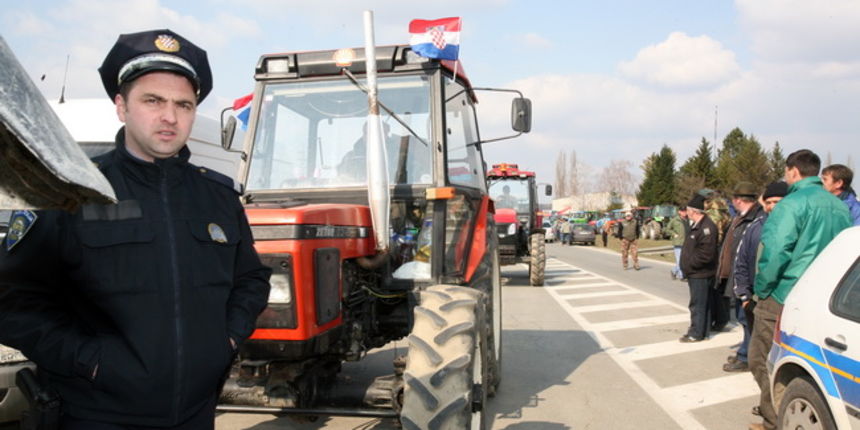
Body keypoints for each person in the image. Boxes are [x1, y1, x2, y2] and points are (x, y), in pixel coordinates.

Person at [0, 29, 272, 429]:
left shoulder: (217, 197)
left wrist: (225, 341)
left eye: (184, 104)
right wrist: (89, 363)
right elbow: (13, 301)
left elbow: (251, 280)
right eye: (152, 101)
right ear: (121, 106)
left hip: (196, 414)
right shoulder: (69, 191)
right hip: (96, 414)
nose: (170, 116)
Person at [748, 150, 851, 430]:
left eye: (785, 171)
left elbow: (776, 253)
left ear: (793, 171)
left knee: (762, 359)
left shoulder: (791, 204)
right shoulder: (839, 207)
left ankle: (773, 419)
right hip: (824, 296)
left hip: (784, 294)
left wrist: (762, 290)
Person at [730, 182, 786, 391]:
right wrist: (744, 294)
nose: (772, 206)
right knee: (758, 358)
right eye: (769, 202)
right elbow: (741, 261)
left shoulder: (791, 227)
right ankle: (767, 401)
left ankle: (771, 404)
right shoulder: (756, 226)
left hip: (776, 299)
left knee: (772, 357)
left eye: (777, 202)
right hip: (755, 297)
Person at [716, 182, 764, 372]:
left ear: (738, 200)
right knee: (742, 317)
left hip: (746, 279)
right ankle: (744, 352)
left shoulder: (755, 220)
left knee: (747, 319)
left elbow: (749, 254)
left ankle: (747, 357)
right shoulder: (741, 217)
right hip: (737, 277)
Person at [679, 194, 718, 342]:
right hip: (696, 272)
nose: (686, 212)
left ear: (693, 211)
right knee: (702, 303)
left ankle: (696, 333)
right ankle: (703, 331)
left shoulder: (707, 228)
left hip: (700, 273)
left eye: (688, 210)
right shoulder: (697, 225)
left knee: (698, 304)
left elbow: (706, 255)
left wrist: (689, 265)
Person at [666, 207, 689, 280]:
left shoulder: (689, 220)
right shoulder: (675, 220)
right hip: (678, 243)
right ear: (679, 212)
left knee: (685, 260)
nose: (684, 213)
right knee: (679, 260)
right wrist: (674, 234)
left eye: (685, 211)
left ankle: (674, 271)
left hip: (687, 243)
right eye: (683, 211)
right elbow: (667, 229)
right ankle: (681, 276)